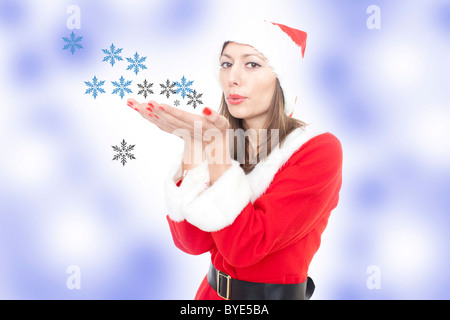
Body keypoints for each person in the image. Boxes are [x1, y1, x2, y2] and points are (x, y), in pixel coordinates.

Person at [126, 19, 343, 300]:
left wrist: (215, 149)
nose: (232, 78)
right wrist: (194, 144)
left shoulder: (317, 150)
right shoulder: (225, 143)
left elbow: (245, 248)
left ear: (281, 79)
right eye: (226, 64)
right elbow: (191, 241)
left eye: (252, 64)